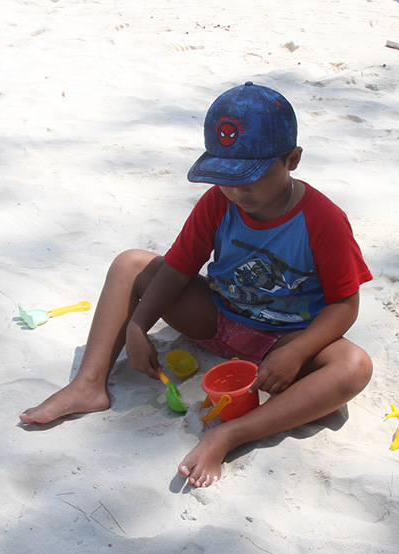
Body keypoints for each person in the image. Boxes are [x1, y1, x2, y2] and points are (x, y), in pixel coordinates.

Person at [20, 82, 373, 488]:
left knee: (353, 366)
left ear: (292, 159)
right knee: (130, 264)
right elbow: (176, 269)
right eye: (225, 177)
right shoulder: (219, 202)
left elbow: (344, 304)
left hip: (283, 342)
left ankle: (230, 435)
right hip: (216, 317)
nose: (238, 190)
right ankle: (87, 384)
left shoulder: (323, 220)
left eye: (253, 177)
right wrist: (138, 325)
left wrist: (297, 352)